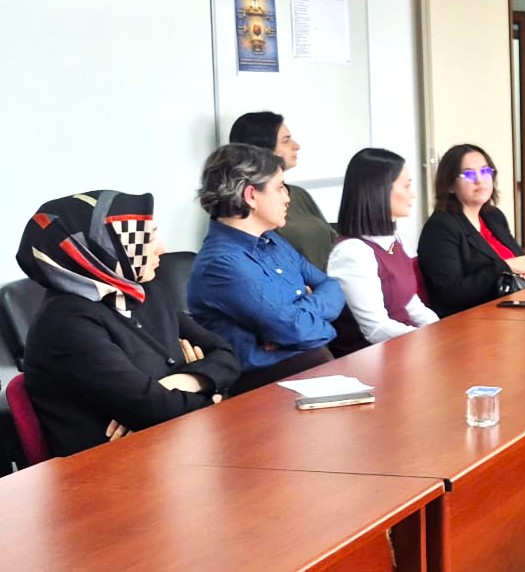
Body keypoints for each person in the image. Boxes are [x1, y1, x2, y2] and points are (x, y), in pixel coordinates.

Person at [18, 190, 238, 457]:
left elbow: (226, 355)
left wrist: (184, 381)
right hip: (109, 468)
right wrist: (214, 395)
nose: (162, 249)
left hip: (172, 447)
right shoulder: (65, 324)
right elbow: (154, 409)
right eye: (149, 238)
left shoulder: (145, 292)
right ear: (103, 249)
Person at [189, 143, 344, 393]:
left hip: (305, 367)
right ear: (251, 195)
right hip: (258, 388)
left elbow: (331, 287)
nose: (288, 198)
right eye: (280, 188)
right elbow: (298, 329)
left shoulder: (273, 241)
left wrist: (298, 318)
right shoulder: (223, 263)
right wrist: (307, 324)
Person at [326, 148, 439, 356]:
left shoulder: (397, 240)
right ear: (379, 190)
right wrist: (427, 339)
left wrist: (440, 329)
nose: (413, 193)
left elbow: (410, 303)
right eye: (406, 186)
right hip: (370, 356)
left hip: (406, 344)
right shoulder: (352, 252)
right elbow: (375, 329)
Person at [418, 144, 525, 317]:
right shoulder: (440, 227)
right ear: (450, 185)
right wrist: (507, 267)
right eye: (469, 174)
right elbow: (451, 294)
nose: (480, 180)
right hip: (471, 319)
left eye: (485, 171)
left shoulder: (493, 216)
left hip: (512, 308)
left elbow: (519, 260)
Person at [229, 111, 338, 270]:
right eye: (286, 140)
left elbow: (332, 240)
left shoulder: (299, 194)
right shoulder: (246, 204)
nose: (296, 146)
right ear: (262, 149)